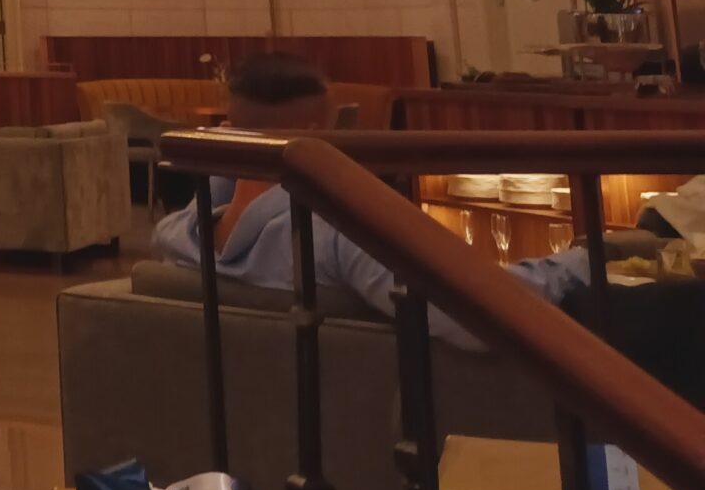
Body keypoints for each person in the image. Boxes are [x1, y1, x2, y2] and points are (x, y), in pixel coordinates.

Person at [152, 52, 586, 335]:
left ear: (229, 132)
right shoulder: (335, 235)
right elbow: (475, 313)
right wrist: (579, 262)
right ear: (317, 135)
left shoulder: (179, 239)